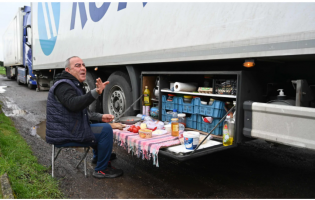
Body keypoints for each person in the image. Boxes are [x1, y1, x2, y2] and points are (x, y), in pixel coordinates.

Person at [46, 56, 124, 178]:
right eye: (77, 66)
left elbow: (84, 112)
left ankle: (99, 157)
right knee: (106, 130)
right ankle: (101, 169)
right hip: (65, 133)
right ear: (68, 70)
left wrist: (101, 117)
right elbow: (73, 104)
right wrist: (95, 93)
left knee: (100, 126)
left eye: (83, 65)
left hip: (71, 129)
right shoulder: (63, 86)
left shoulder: (73, 84)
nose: (83, 68)